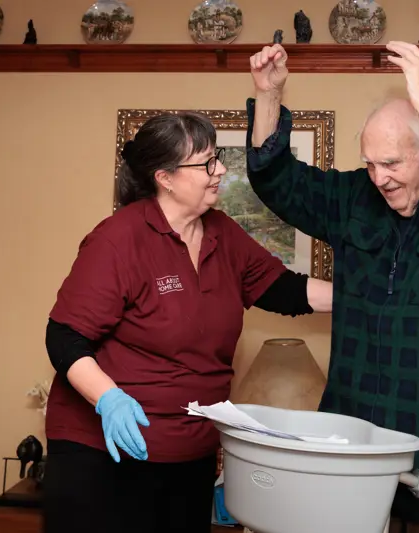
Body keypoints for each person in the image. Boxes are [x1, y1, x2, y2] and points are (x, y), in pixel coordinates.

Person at [245, 42, 419, 532]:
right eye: (370, 163)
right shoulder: (353, 198)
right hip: (356, 460)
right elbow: (275, 178)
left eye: (393, 163)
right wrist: (269, 95)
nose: (379, 178)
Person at [41, 111, 333, 533]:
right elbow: (64, 336)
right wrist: (109, 399)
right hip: (104, 454)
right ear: (165, 178)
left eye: (218, 158)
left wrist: (367, 298)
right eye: (207, 163)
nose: (220, 171)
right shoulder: (118, 240)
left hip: (190, 451)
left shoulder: (222, 233)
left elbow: (285, 289)